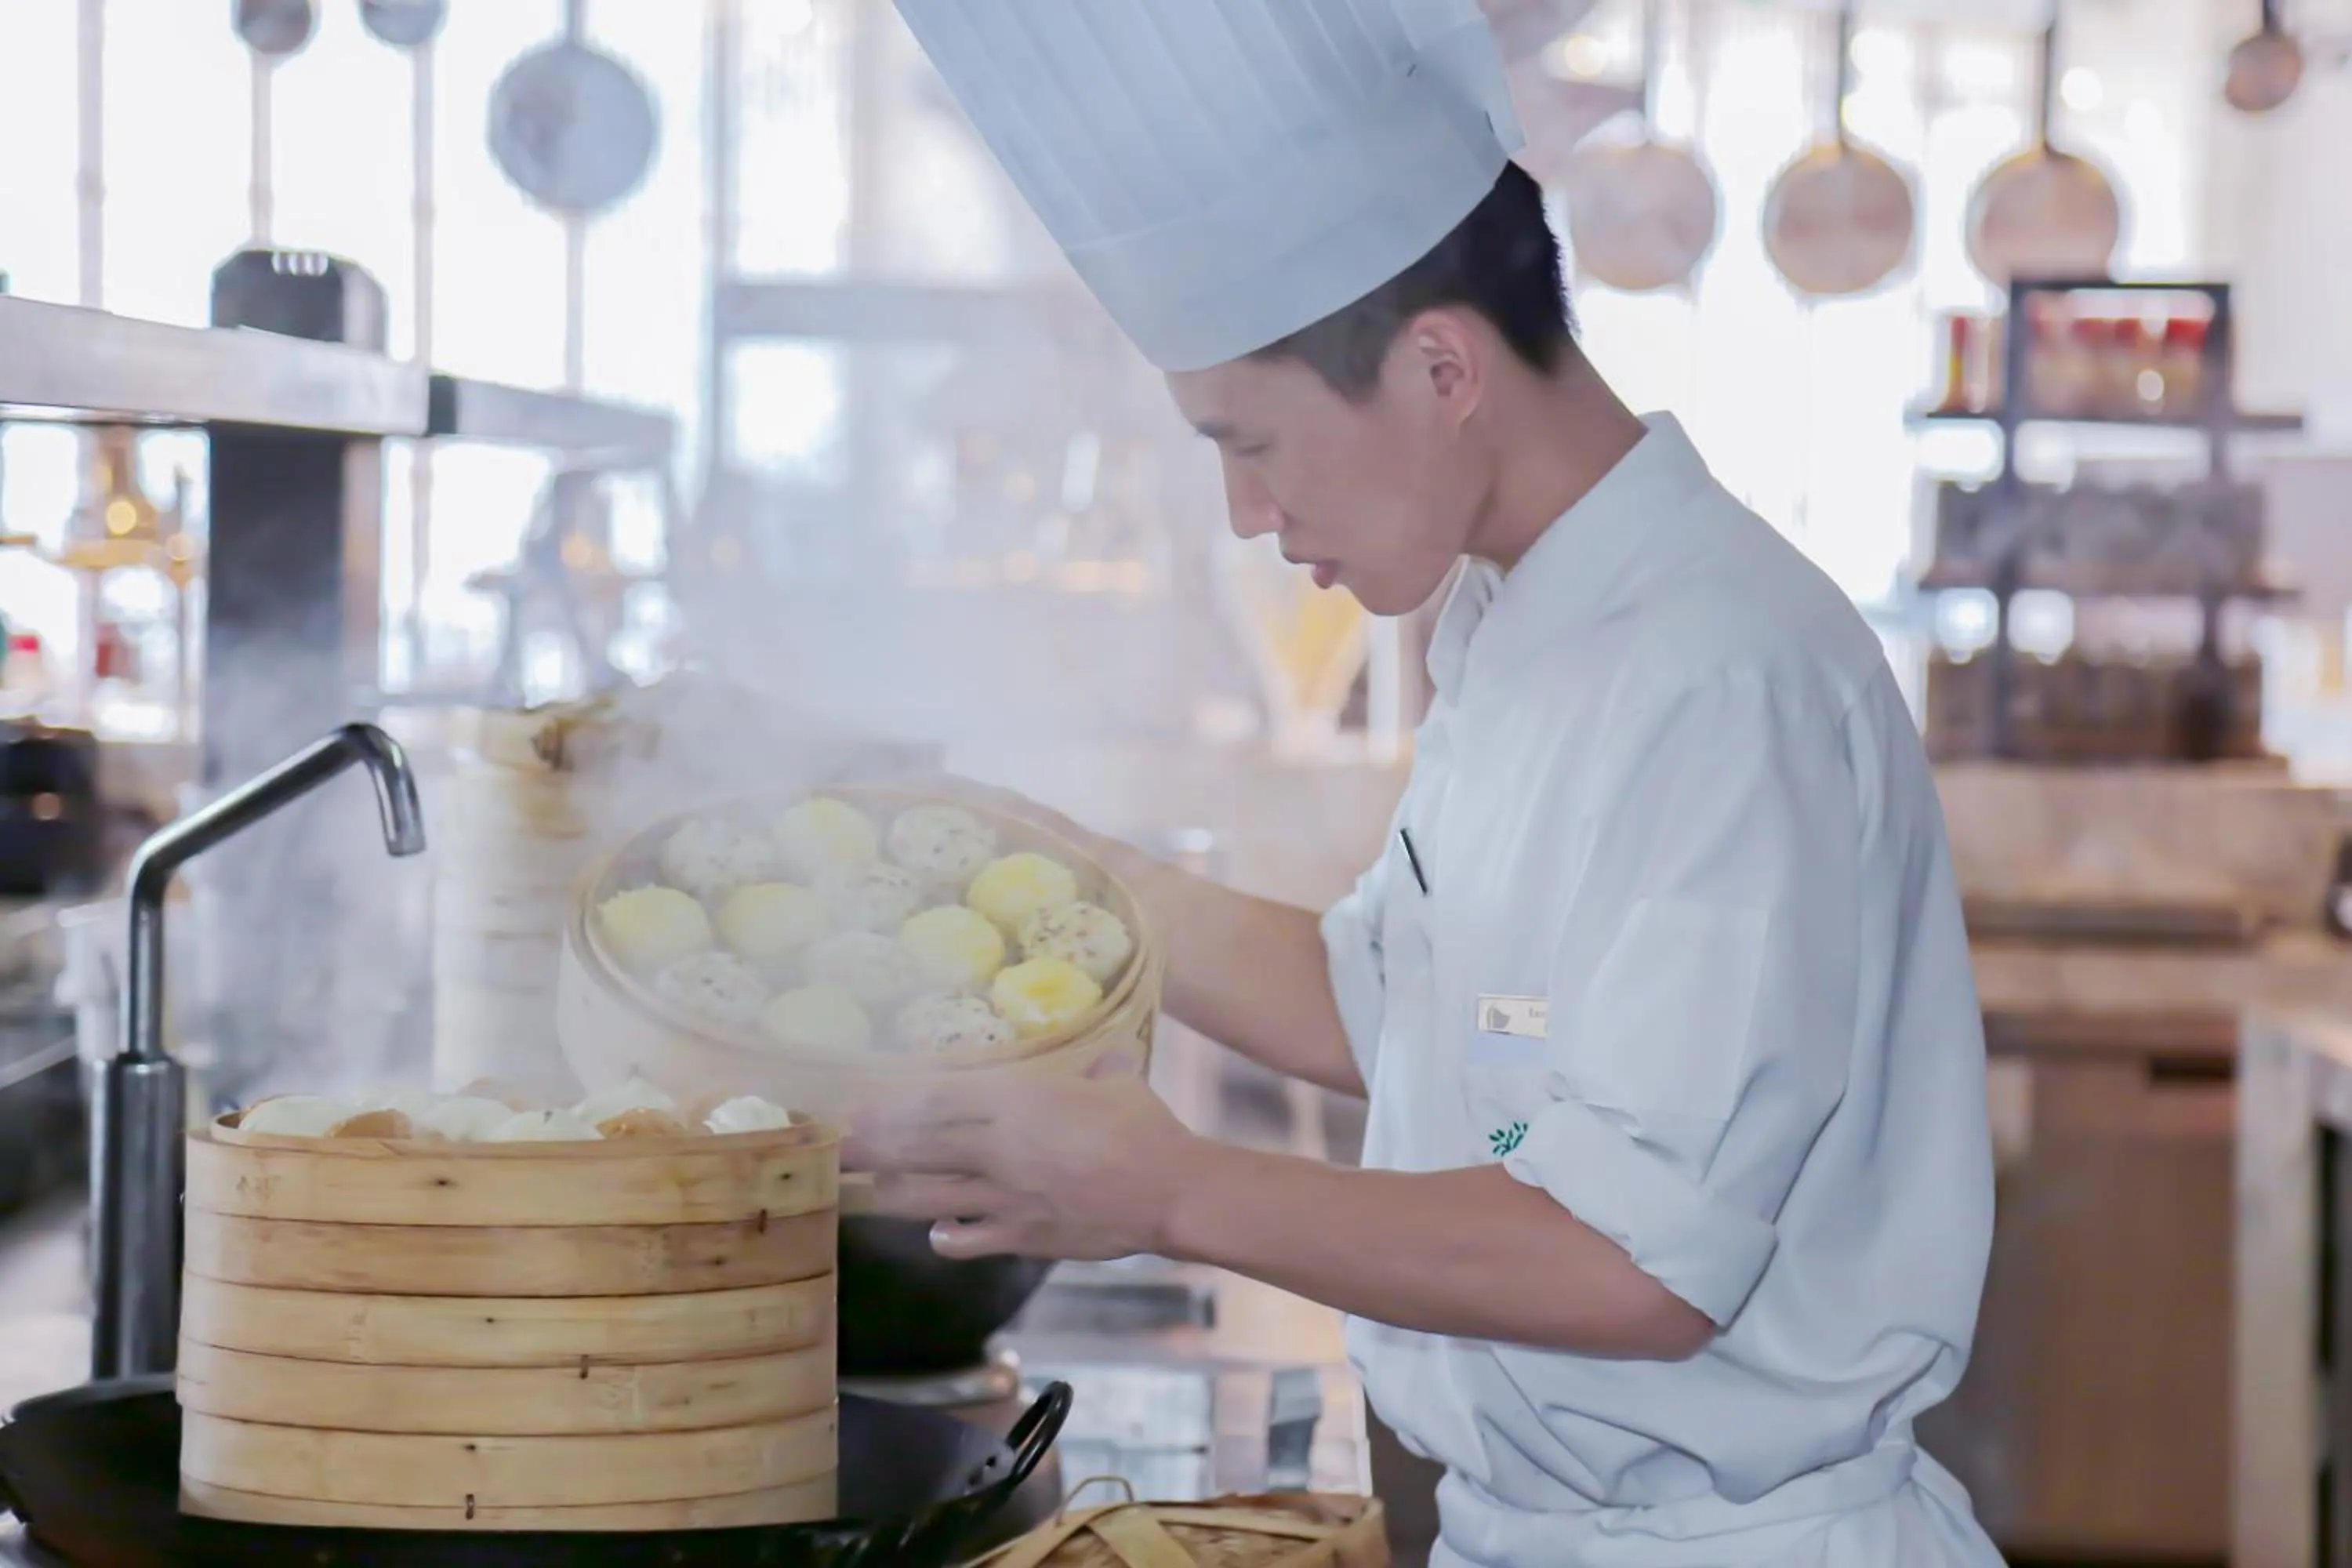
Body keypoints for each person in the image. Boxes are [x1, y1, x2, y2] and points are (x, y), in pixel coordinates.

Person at [849, 3, 2006, 1564]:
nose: (1249, 514)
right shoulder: (1523, 615)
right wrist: (1048, 865)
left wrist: (1167, 1186)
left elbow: (1630, 1266)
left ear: (1442, 365)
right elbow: (1404, 1009)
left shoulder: (1716, 676)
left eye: (1251, 443)